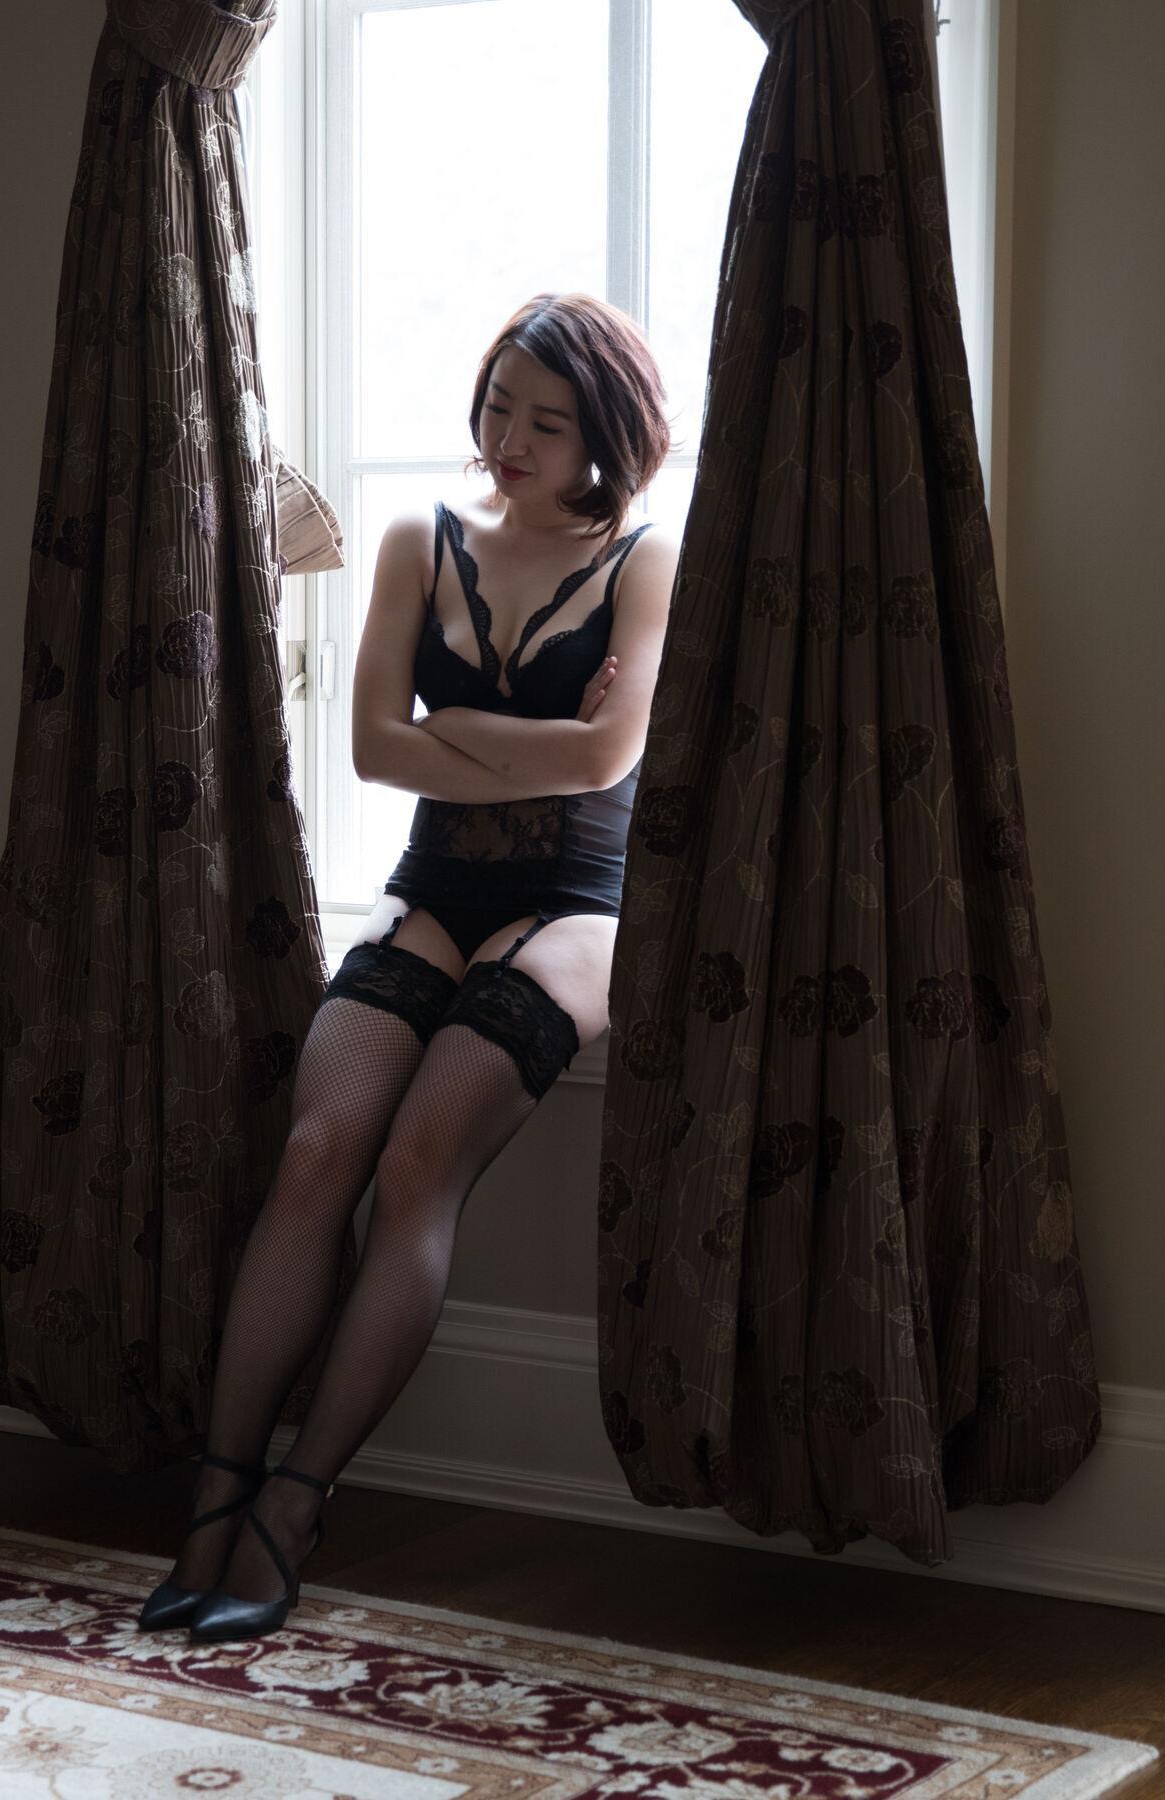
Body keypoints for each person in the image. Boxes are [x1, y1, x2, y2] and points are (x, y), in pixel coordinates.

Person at [139, 292, 679, 1642]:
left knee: (415, 1168)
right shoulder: (416, 539)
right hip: (433, 888)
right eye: (497, 406)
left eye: (546, 422)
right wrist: (533, 743)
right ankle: (216, 1495)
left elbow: (608, 762)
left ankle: (294, 1507)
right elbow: (375, 750)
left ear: (604, 435)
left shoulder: (646, 561)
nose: (509, 440)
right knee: (317, 1152)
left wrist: (462, 731)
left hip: (578, 906)